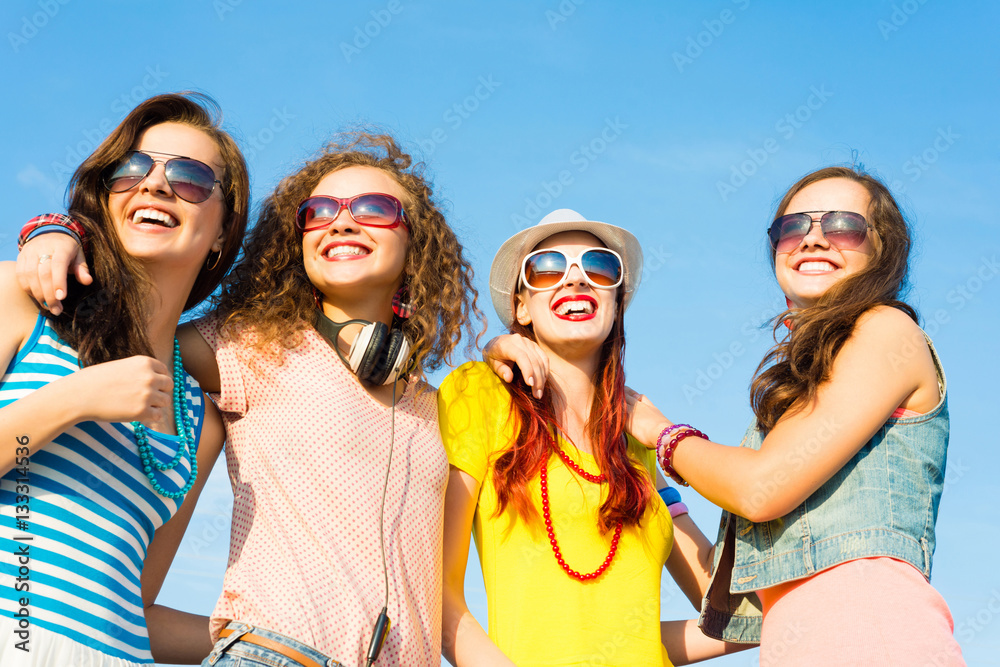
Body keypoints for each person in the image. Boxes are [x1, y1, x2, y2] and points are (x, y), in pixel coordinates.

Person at [17, 132, 483, 666]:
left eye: (375, 208)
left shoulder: (436, 406)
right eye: (320, 210)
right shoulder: (249, 346)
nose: (343, 221)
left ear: (416, 243)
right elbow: (134, 318)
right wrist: (57, 231)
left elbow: (448, 604)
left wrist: (521, 340)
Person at [624, 167, 966, 665]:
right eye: (793, 227)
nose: (812, 239)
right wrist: (654, 488)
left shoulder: (888, 332)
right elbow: (740, 609)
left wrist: (661, 433)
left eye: (841, 225)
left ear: (882, 249)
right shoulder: (801, 402)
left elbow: (758, 489)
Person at [0, 92, 250, 666]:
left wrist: (270, 641)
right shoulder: (22, 300)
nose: (155, 185)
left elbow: (134, 604)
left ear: (221, 231)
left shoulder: (201, 422)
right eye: (133, 169)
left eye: (190, 178)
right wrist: (73, 399)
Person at [439, 209, 749, 666]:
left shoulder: (639, 447)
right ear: (521, 306)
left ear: (617, 301)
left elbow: (738, 615)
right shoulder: (478, 393)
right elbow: (437, 593)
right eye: (546, 269)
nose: (575, 280)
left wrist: (665, 434)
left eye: (599, 267)